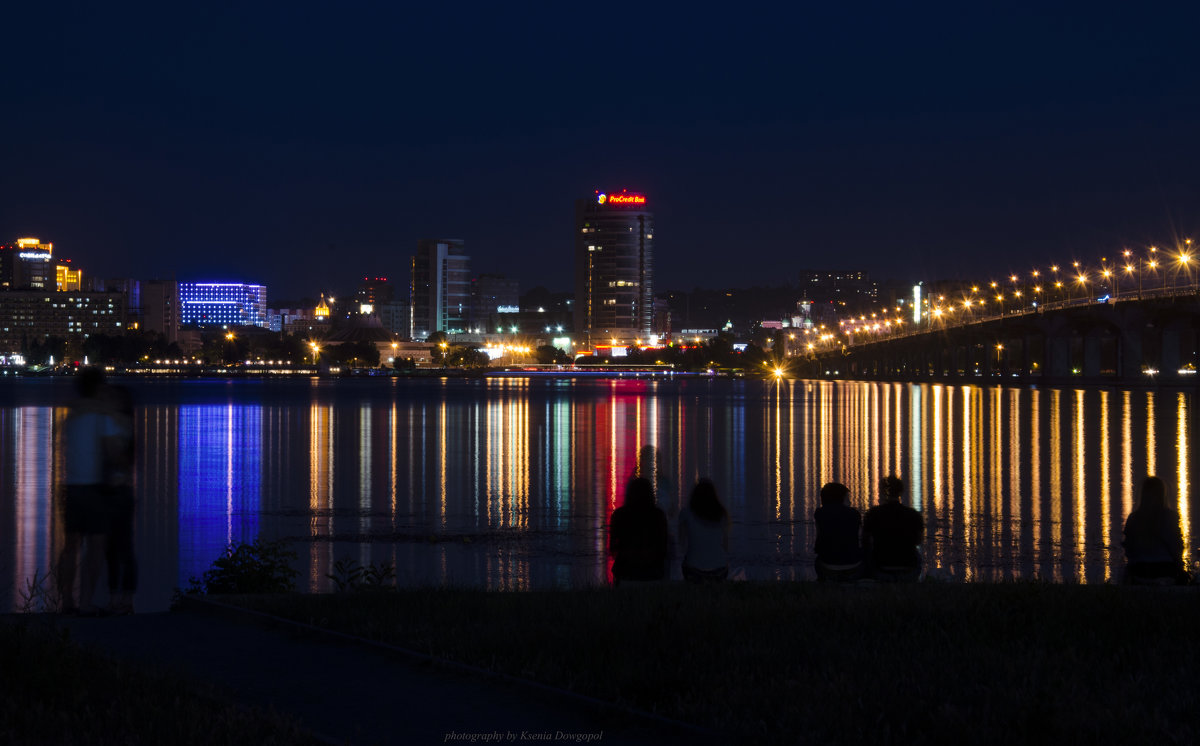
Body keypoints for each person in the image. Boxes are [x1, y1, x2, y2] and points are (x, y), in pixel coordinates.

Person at [57, 367, 123, 615]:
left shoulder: (70, 418)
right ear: (99, 388)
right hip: (95, 489)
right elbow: (115, 454)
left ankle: (66, 600)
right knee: (95, 546)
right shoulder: (102, 418)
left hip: (70, 487)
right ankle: (85, 603)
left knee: (70, 545)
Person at [104, 384, 137, 614]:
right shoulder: (119, 426)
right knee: (115, 549)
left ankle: (122, 599)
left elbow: (123, 461)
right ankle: (119, 599)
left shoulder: (120, 427)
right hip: (116, 492)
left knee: (120, 549)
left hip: (119, 493)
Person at [1122, 476, 1188, 584]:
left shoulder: (1133, 518)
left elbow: (1129, 549)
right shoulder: (1172, 516)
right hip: (1166, 570)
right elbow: (1178, 547)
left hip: (1140, 570)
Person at [862, 475, 923, 582]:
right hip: (908, 568)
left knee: (868, 552)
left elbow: (865, 541)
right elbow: (918, 541)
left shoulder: (873, 514)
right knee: (917, 554)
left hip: (881, 568)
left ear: (882, 492)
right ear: (901, 492)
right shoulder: (913, 515)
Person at [609, 477, 669, 586]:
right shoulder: (658, 515)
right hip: (653, 573)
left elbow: (612, 548)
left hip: (625, 573)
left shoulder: (619, 515)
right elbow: (663, 548)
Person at [678, 478, 730, 583]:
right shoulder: (722, 514)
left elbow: (682, 545)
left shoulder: (686, 513)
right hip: (719, 570)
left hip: (694, 571)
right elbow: (726, 546)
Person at [813, 482, 862, 581]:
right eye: (848, 498)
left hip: (827, 565)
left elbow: (818, 543)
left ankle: (823, 581)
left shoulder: (820, 513)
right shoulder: (855, 514)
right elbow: (859, 539)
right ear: (842, 498)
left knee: (818, 560)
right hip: (853, 565)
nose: (850, 502)